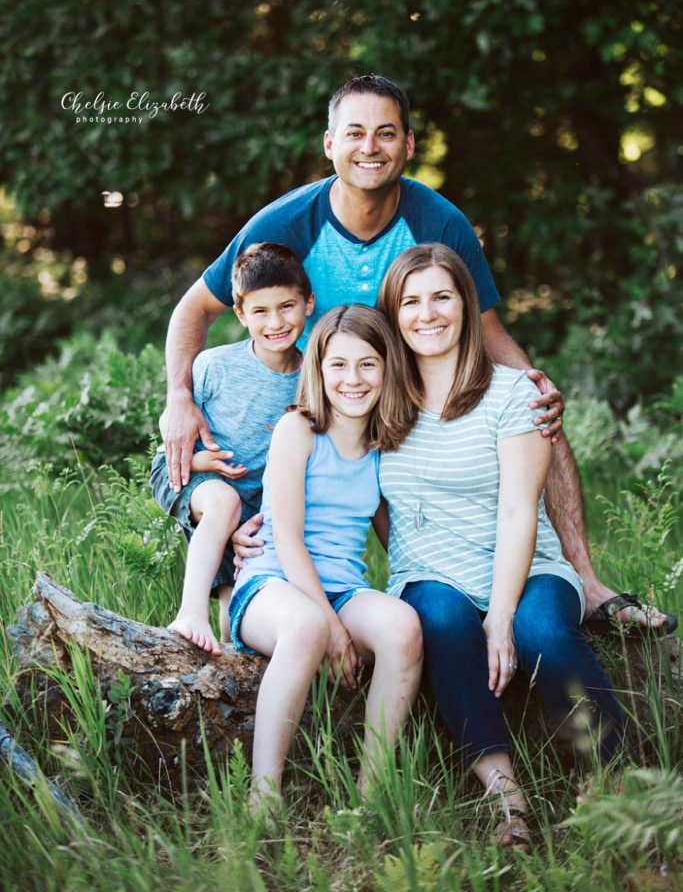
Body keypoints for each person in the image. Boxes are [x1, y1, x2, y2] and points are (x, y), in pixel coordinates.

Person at [162, 72, 672, 633]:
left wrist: (530, 378)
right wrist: (179, 397)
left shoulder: (438, 220)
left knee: (536, 405)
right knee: (241, 483)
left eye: (385, 133)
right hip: (312, 388)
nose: (369, 147)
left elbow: (486, 325)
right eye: (354, 133)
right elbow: (194, 309)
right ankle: (234, 602)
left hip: (397, 385)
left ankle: (588, 584)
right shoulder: (289, 221)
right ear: (330, 144)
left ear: (408, 145)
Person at [376, 244, 630, 848]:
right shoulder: (378, 397)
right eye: (410, 301)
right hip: (430, 570)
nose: (427, 314)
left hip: (528, 564)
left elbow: (521, 512)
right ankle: (505, 801)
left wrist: (501, 617)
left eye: (442, 296)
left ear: (467, 304)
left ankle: (612, 782)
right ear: (393, 313)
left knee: (543, 628)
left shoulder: (515, 393)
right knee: (438, 617)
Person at [227, 304, 423, 810]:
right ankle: (263, 797)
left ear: (387, 369)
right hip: (273, 584)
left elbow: (395, 537)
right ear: (318, 369)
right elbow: (287, 538)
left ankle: (369, 795)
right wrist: (333, 627)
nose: (352, 379)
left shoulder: (384, 445)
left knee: (403, 626)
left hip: (342, 588)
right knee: (309, 628)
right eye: (338, 365)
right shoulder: (299, 431)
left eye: (367, 364)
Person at [150, 243, 315, 653]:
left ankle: (228, 669)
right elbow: (173, 427)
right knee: (224, 503)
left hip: (256, 506)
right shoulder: (214, 366)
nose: (275, 322)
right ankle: (189, 613)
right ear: (240, 315)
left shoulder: (314, 378)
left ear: (308, 304)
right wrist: (196, 459)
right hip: (189, 473)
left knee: (237, 609)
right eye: (260, 311)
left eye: (287, 306)